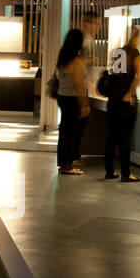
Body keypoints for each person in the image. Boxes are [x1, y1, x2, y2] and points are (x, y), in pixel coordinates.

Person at [105, 26, 140, 182]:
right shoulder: (135, 53)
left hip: (113, 99)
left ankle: (109, 171)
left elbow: (114, 74)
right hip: (127, 99)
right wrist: (129, 93)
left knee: (112, 135)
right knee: (125, 136)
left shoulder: (118, 52)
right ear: (136, 37)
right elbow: (139, 75)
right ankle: (126, 173)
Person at [52, 28, 90, 175]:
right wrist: (84, 104)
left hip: (62, 96)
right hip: (72, 99)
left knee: (64, 132)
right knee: (70, 133)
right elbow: (78, 84)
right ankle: (67, 165)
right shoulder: (77, 61)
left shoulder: (63, 57)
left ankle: (63, 163)